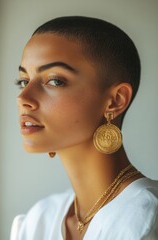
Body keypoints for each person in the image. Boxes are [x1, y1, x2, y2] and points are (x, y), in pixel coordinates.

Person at [10, 16, 158, 240]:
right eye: (23, 80)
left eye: (55, 80)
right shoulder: (39, 219)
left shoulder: (144, 219)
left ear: (115, 101)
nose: (23, 97)